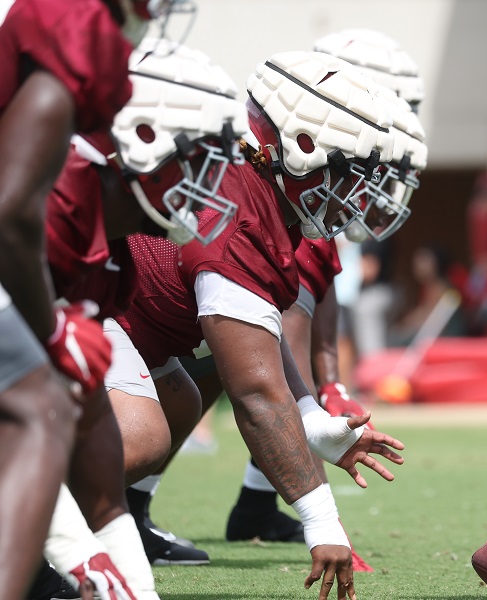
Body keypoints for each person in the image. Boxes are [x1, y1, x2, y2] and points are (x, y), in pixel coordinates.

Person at [105, 50, 406, 600]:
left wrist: (314, 421)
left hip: (115, 305)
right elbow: (256, 395)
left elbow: (260, 340)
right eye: (349, 174)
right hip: (76, 297)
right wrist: (321, 519)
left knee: (181, 402)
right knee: (143, 435)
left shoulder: (264, 200)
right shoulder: (240, 215)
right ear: (304, 148)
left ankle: (84, 521)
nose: (357, 197)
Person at [0, 0, 171, 596]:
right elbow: (9, 213)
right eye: (195, 157)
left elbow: (90, 410)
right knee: (33, 402)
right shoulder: (62, 187)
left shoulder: (112, 247)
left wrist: (126, 569)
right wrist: (80, 556)